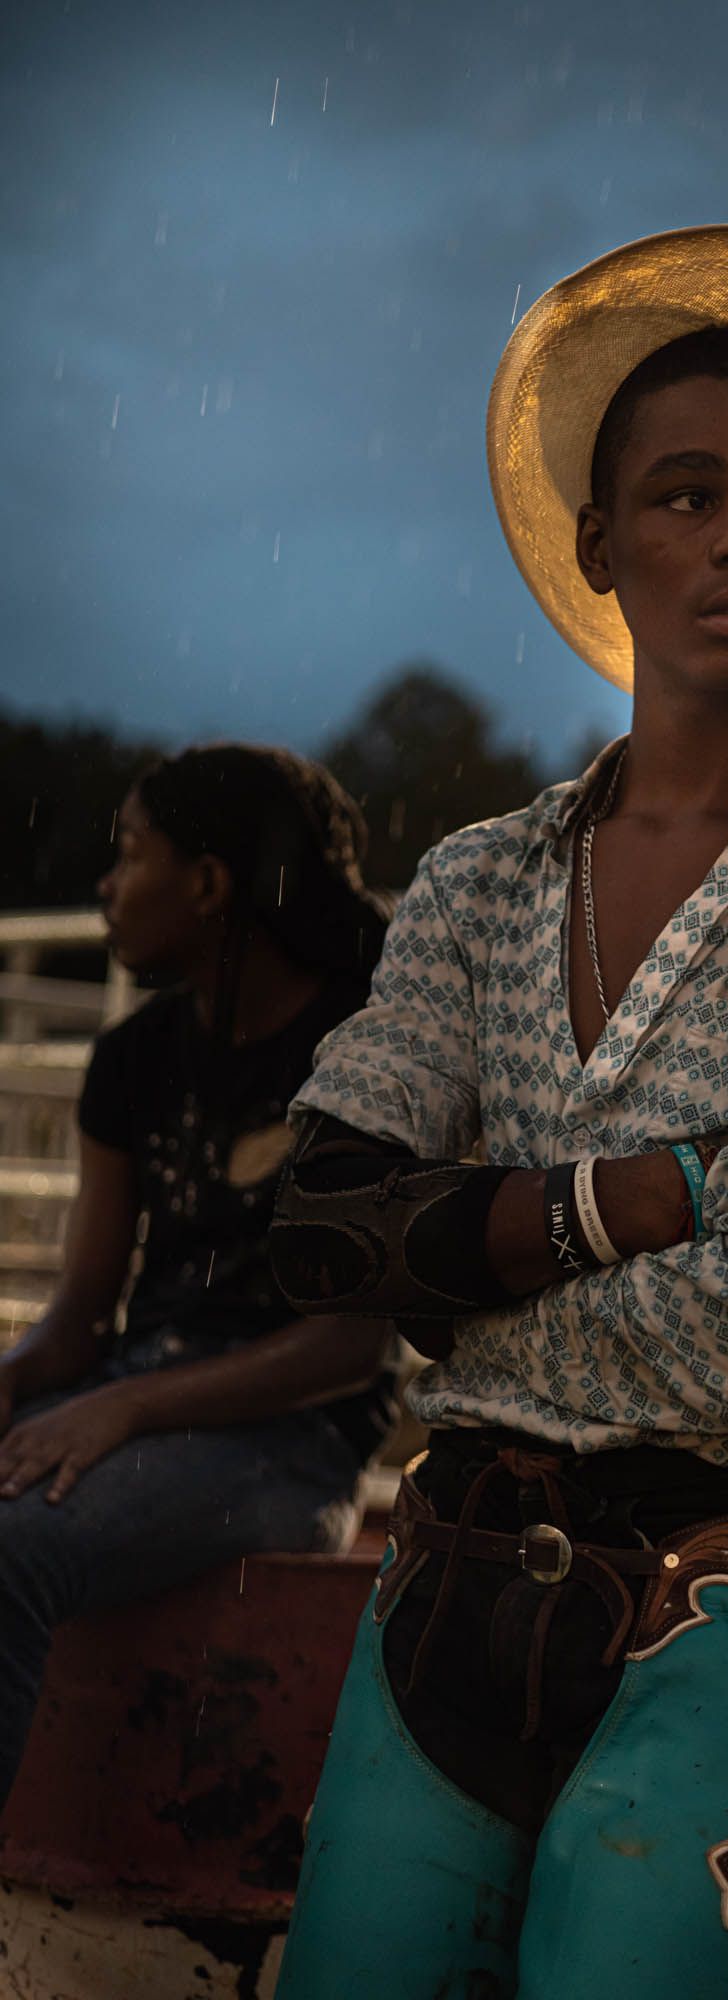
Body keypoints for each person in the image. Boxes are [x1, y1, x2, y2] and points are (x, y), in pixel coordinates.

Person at [271, 226, 728, 1999]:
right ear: (599, 547)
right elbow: (315, 1225)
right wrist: (634, 1199)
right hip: (444, 1588)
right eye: (684, 495)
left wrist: (470, 1263)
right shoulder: (472, 884)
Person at [0, 742, 398, 1808]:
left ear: (210, 883)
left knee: (11, 1550)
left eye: (128, 853)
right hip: (128, 1395)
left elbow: (350, 1345)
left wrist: (124, 1408)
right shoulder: (132, 1058)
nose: (104, 884)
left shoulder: (365, 1051)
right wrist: (15, 1375)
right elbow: (79, 1316)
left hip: (286, 1442)